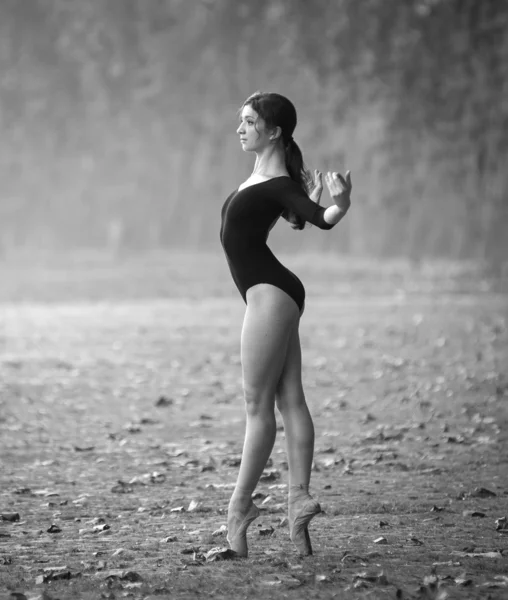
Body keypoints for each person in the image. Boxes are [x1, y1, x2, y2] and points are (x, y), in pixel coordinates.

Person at [219, 91, 352, 558]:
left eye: (249, 121)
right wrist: (305, 205)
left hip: (269, 297)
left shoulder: (275, 180)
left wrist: (339, 203)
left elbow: (321, 219)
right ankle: (298, 504)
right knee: (289, 398)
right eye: (241, 120)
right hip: (275, 293)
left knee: (258, 407)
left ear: (273, 131)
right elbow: (297, 215)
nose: (240, 128)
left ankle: (239, 509)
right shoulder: (266, 178)